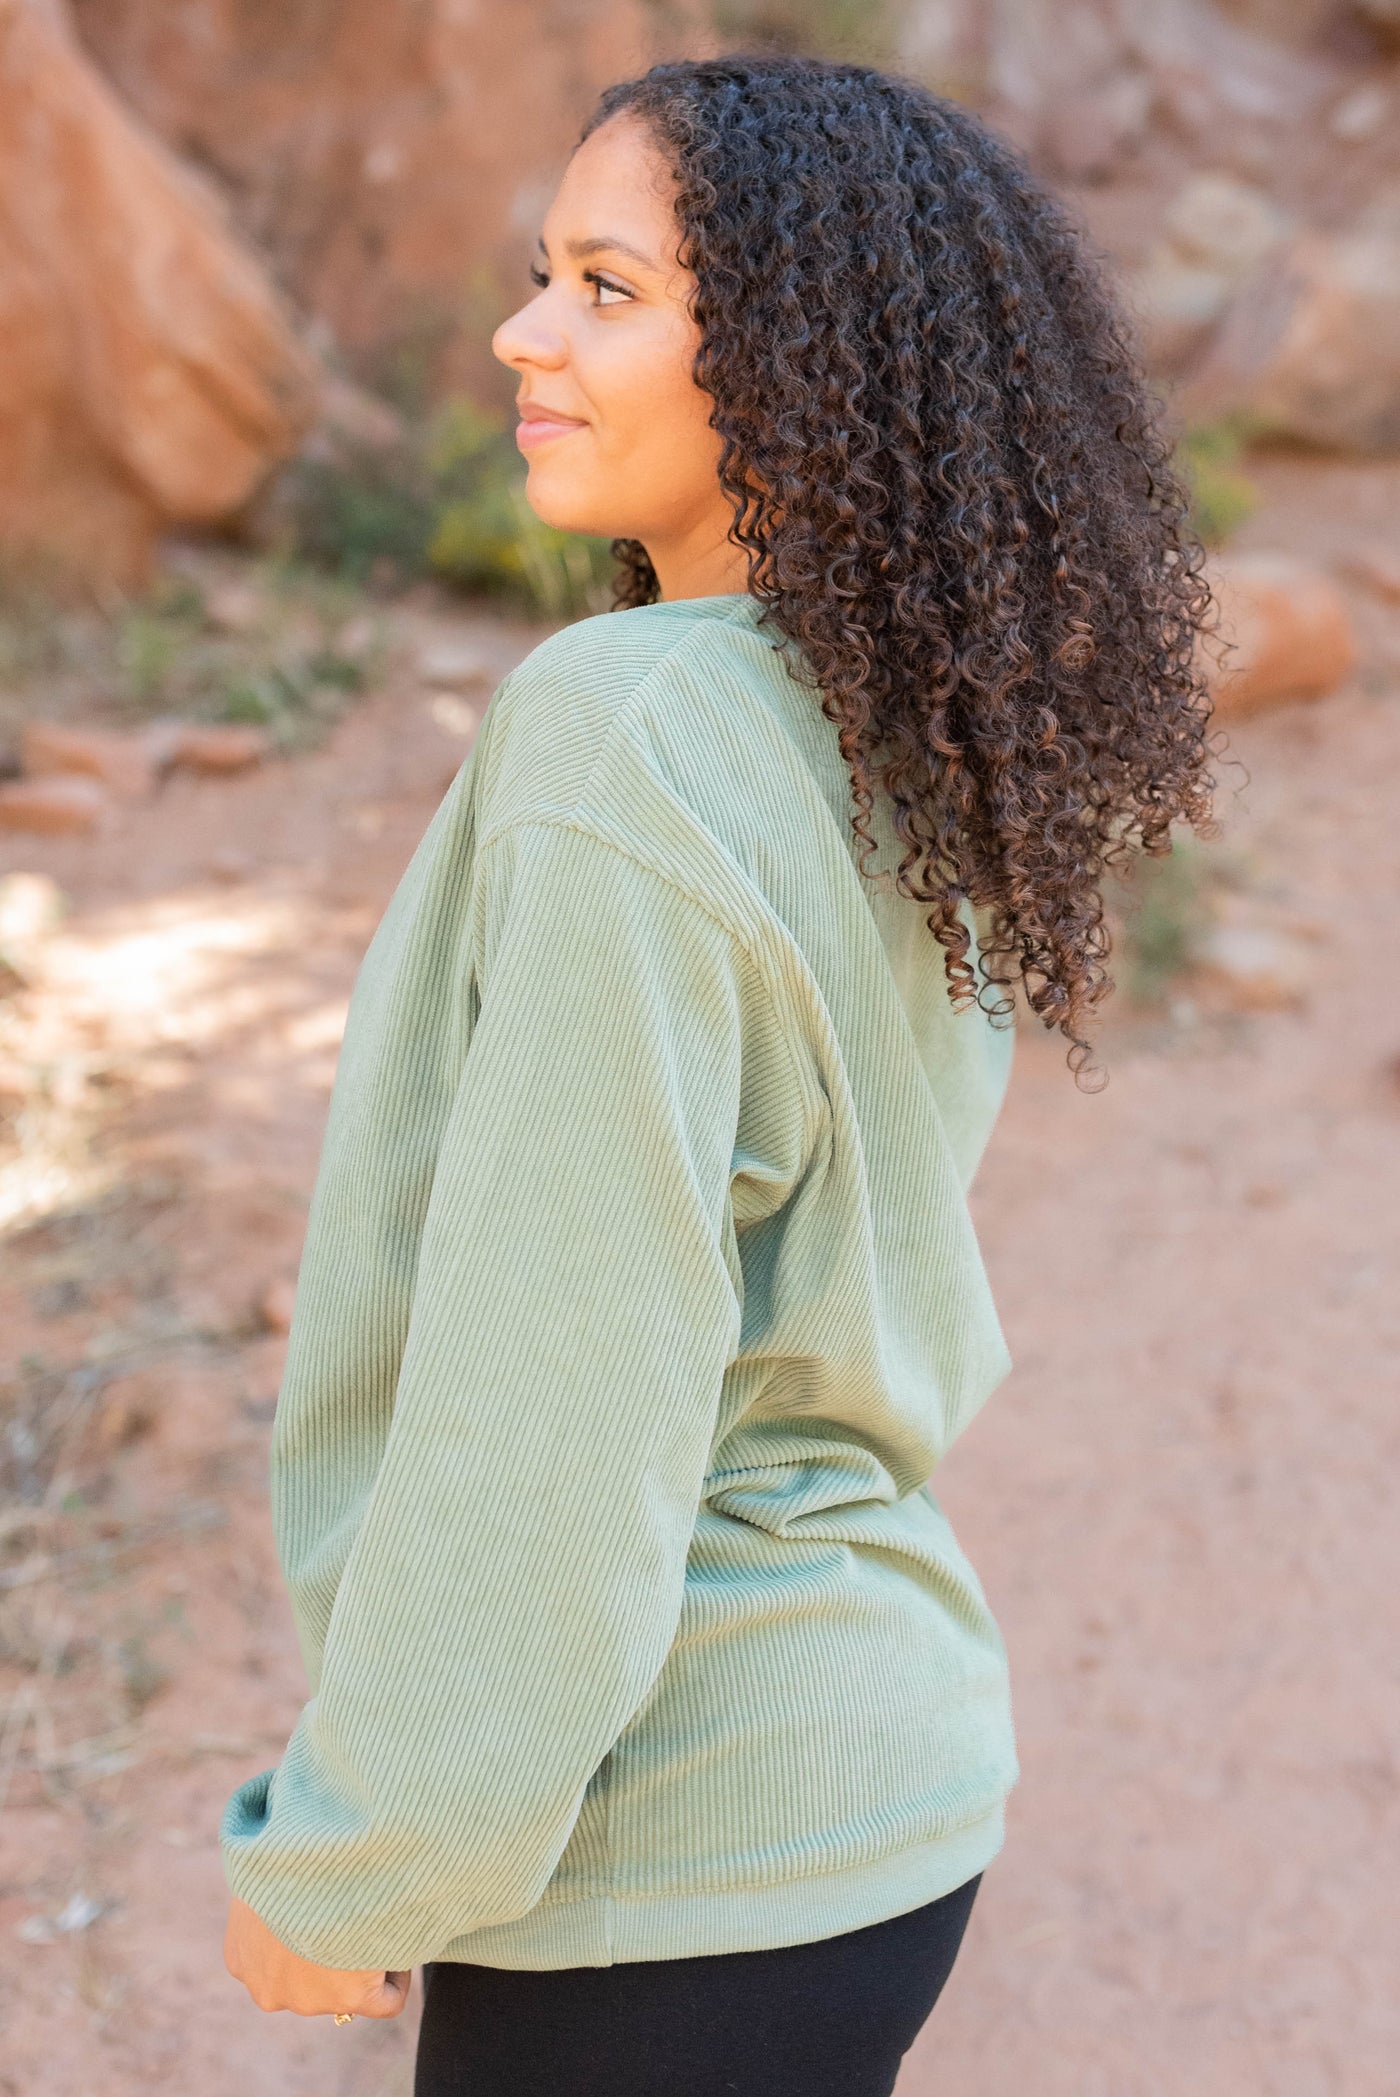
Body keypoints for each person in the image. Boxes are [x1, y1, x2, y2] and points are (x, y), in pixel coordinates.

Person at [219, 51, 1217, 2097]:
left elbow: (562, 1386)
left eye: (606, 287)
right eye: (539, 275)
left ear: (789, 347)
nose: (523, 332)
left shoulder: (629, 733)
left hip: (674, 1848)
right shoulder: (875, 729)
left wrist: (358, 1854)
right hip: (873, 1801)